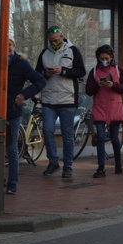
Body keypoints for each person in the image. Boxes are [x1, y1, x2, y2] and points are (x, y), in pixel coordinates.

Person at [0, 35, 46, 194]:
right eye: (4, 44)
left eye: (11, 45)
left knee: (11, 149)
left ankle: (12, 185)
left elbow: (41, 81)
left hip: (12, 112)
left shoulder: (21, 64)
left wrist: (23, 95)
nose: (8, 48)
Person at [35, 26, 86, 178]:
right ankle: (53, 162)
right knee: (48, 130)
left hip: (68, 99)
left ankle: (68, 165)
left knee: (67, 133)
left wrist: (63, 71)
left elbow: (81, 71)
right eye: (51, 41)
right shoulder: (44, 53)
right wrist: (46, 73)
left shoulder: (73, 51)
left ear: (62, 37)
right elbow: (37, 73)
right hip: (49, 99)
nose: (54, 43)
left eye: (56, 40)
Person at [85, 45, 123, 178]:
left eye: (107, 58)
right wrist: (97, 85)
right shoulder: (94, 72)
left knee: (115, 138)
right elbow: (88, 91)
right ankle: (101, 168)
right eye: (102, 58)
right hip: (100, 107)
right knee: (100, 137)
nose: (105, 60)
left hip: (114, 108)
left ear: (111, 57)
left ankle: (118, 164)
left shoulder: (118, 70)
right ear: (98, 58)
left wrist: (114, 85)